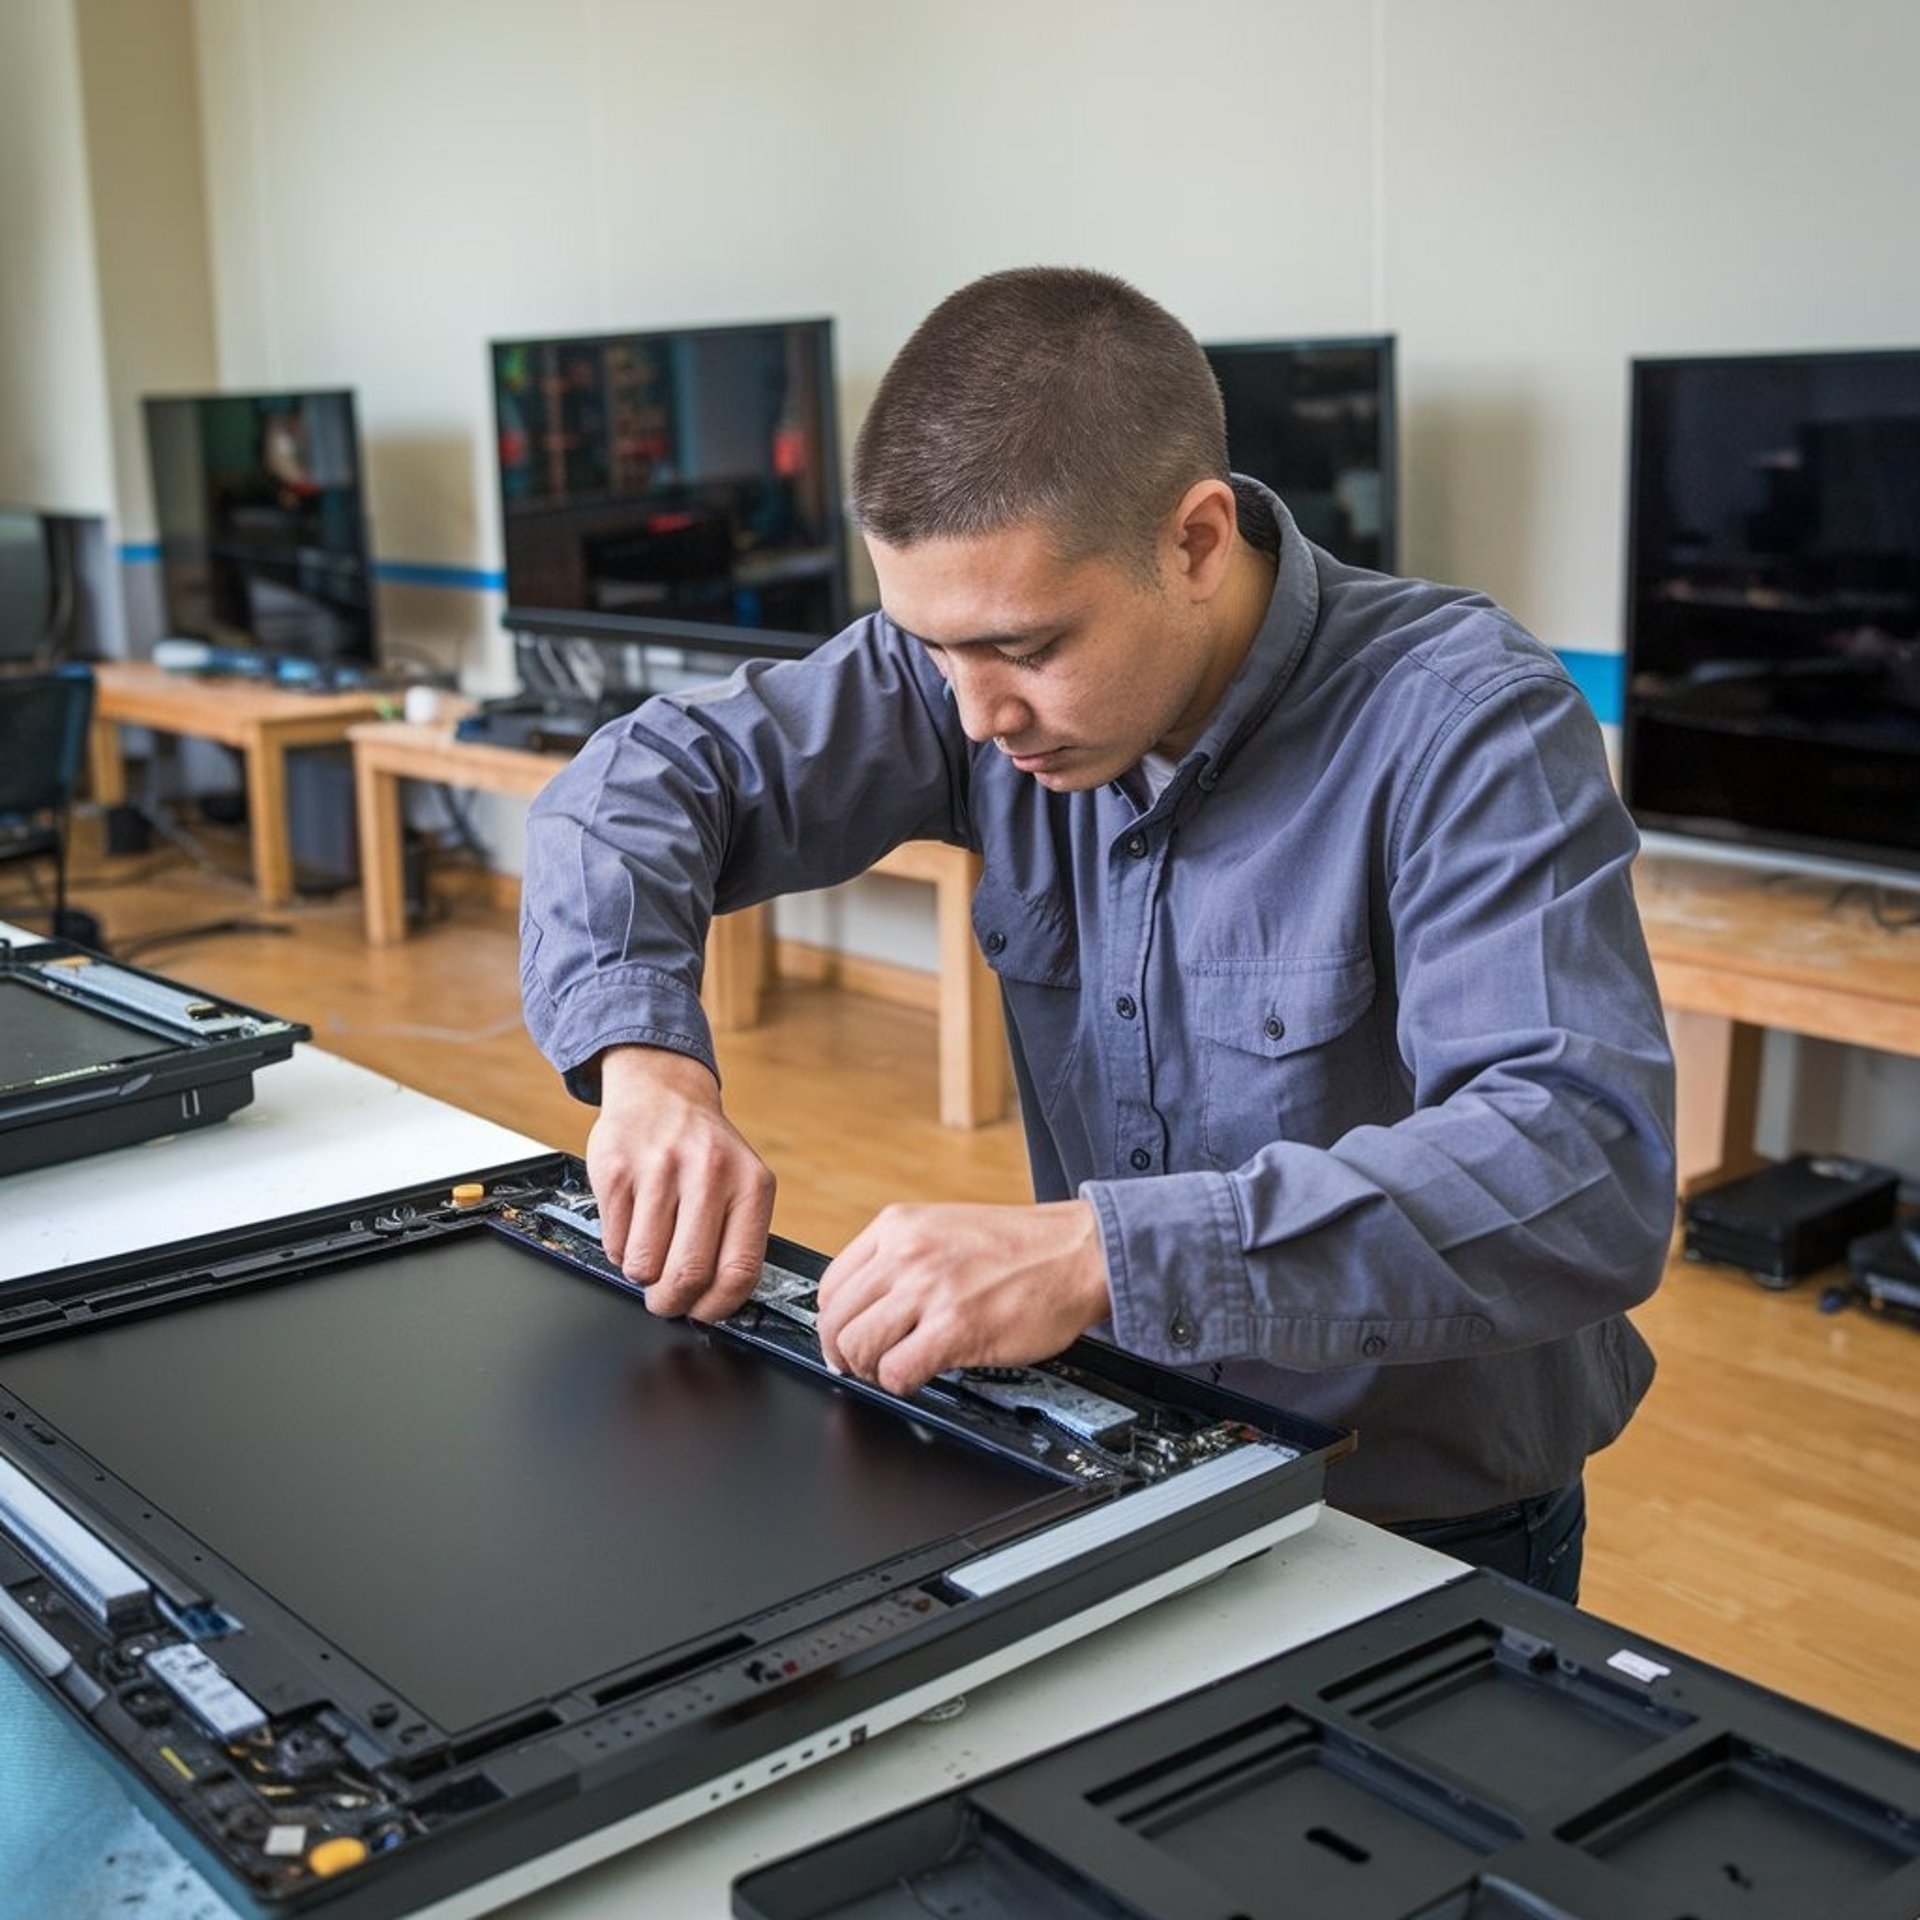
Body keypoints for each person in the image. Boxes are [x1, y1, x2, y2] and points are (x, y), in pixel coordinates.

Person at [520, 267, 1676, 1601]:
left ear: (1197, 541)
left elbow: (1581, 1161)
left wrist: (1099, 1252)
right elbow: (631, 790)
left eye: (1025, 650)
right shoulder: (971, 662)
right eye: (932, 648)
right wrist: (648, 1072)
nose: (975, 717)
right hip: (1117, 1453)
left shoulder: (1466, 722)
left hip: (1413, 1520)